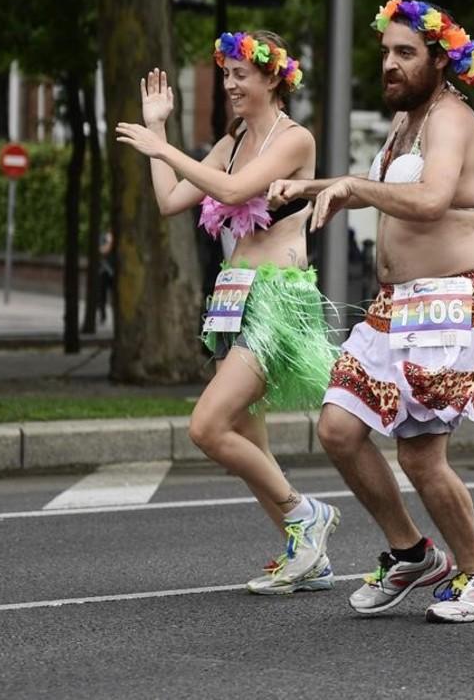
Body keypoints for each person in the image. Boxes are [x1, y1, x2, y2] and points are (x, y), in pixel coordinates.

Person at [268, 0, 474, 623]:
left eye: (405, 53)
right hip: (394, 308)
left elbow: (431, 199)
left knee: (420, 457)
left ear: (440, 59)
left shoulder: (453, 117)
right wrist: (319, 187)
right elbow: (389, 189)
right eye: (387, 53)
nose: (390, 64)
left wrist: (350, 188)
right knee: (339, 429)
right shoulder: (408, 122)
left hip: (446, 306)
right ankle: (411, 552)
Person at [115, 31, 341, 596]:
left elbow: (237, 192)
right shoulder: (235, 139)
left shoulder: (295, 140)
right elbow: (171, 200)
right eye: (227, 73)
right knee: (249, 440)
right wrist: (160, 128)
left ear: (273, 78)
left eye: (242, 74)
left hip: (277, 300)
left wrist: (164, 149)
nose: (231, 84)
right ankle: (306, 554)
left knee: (207, 426)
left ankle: (305, 512)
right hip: (233, 296)